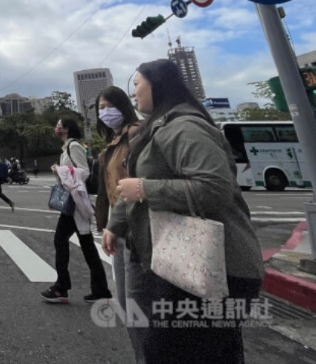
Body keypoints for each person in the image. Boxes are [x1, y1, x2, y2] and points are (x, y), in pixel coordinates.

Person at [102, 60, 263, 364]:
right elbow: (134, 185)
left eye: (137, 84)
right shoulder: (159, 126)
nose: (134, 93)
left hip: (216, 266)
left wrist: (147, 189)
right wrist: (116, 223)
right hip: (183, 262)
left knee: (187, 351)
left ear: (157, 84)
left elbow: (215, 189)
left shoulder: (184, 126)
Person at [41, 117, 111, 304]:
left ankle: (61, 287)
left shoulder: (74, 147)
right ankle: (100, 290)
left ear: (67, 129)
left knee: (61, 240)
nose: (56, 128)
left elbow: (84, 171)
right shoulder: (67, 147)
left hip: (76, 204)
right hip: (74, 203)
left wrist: (59, 170)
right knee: (86, 246)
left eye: (58, 125)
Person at [91, 86, 141, 342]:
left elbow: (137, 181)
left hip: (136, 226)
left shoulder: (137, 134)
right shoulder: (112, 142)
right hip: (117, 224)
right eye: (101, 108)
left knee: (135, 303)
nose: (105, 112)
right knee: (123, 299)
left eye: (109, 106)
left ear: (123, 105)